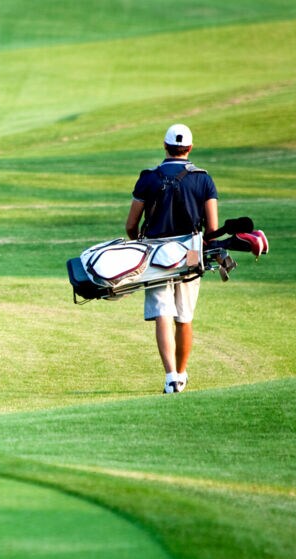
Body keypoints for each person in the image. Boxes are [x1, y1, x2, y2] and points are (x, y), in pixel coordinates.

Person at [124, 124, 218, 394]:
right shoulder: (204, 179)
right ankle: (183, 372)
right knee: (184, 316)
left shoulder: (149, 178)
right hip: (189, 251)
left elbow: (131, 225)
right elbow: (212, 228)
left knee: (163, 312)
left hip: (155, 252)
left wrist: (137, 244)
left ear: (165, 146)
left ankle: (170, 377)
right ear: (189, 148)